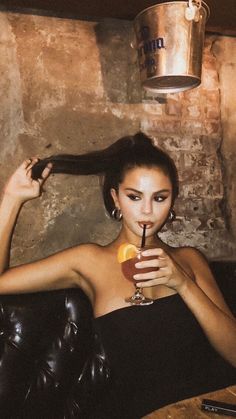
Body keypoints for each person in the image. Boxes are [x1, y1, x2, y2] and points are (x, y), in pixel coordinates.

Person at [0, 132, 235, 418]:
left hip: (213, 405)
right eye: (134, 197)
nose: (147, 211)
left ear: (172, 200)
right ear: (116, 198)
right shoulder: (89, 261)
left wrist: (183, 284)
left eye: (160, 198)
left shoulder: (189, 259)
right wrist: (12, 199)